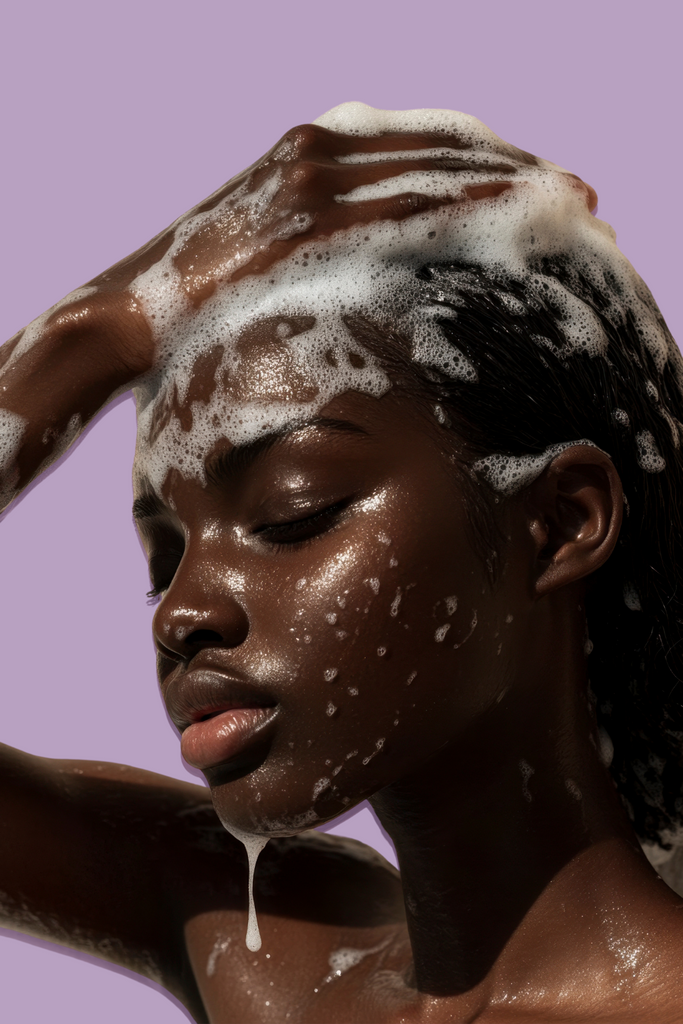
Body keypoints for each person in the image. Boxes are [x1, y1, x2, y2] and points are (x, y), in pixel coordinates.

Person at [1, 101, 682, 1023]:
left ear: (561, 522)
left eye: (292, 514)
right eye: (163, 559)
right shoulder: (260, 953)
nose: (181, 612)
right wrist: (116, 322)